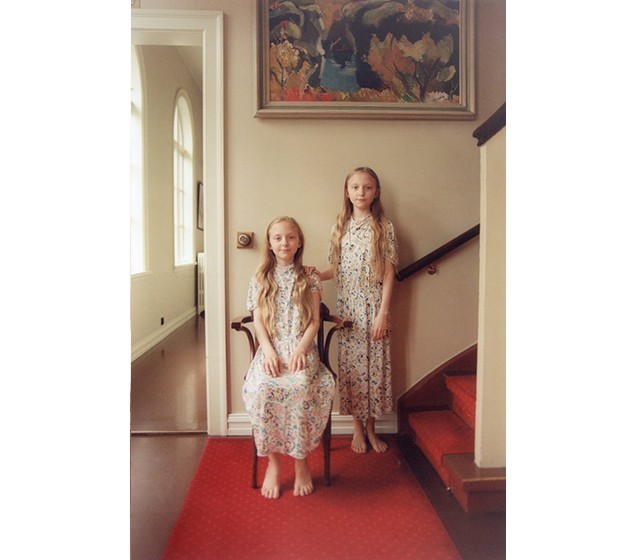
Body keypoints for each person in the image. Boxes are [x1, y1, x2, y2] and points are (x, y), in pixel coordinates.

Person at [242, 216, 335, 499]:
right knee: (263, 388)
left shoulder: (310, 277)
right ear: (270, 244)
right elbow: (258, 322)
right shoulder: (260, 279)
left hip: (300, 348)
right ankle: (273, 463)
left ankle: (301, 460)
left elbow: (315, 322)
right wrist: (268, 351)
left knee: (301, 386)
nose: (285, 242)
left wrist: (301, 349)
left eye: (291, 237)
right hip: (271, 350)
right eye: (278, 238)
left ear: (299, 242)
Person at [319, 167, 397, 454]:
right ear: (347, 191)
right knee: (352, 369)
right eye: (355, 187)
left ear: (376, 192)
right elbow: (337, 270)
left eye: (367, 187)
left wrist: (383, 313)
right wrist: (315, 275)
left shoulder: (384, 227)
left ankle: (371, 429)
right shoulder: (339, 228)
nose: (361, 192)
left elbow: (388, 273)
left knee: (374, 369)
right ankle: (356, 430)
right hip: (348, 311)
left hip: (374, 306)